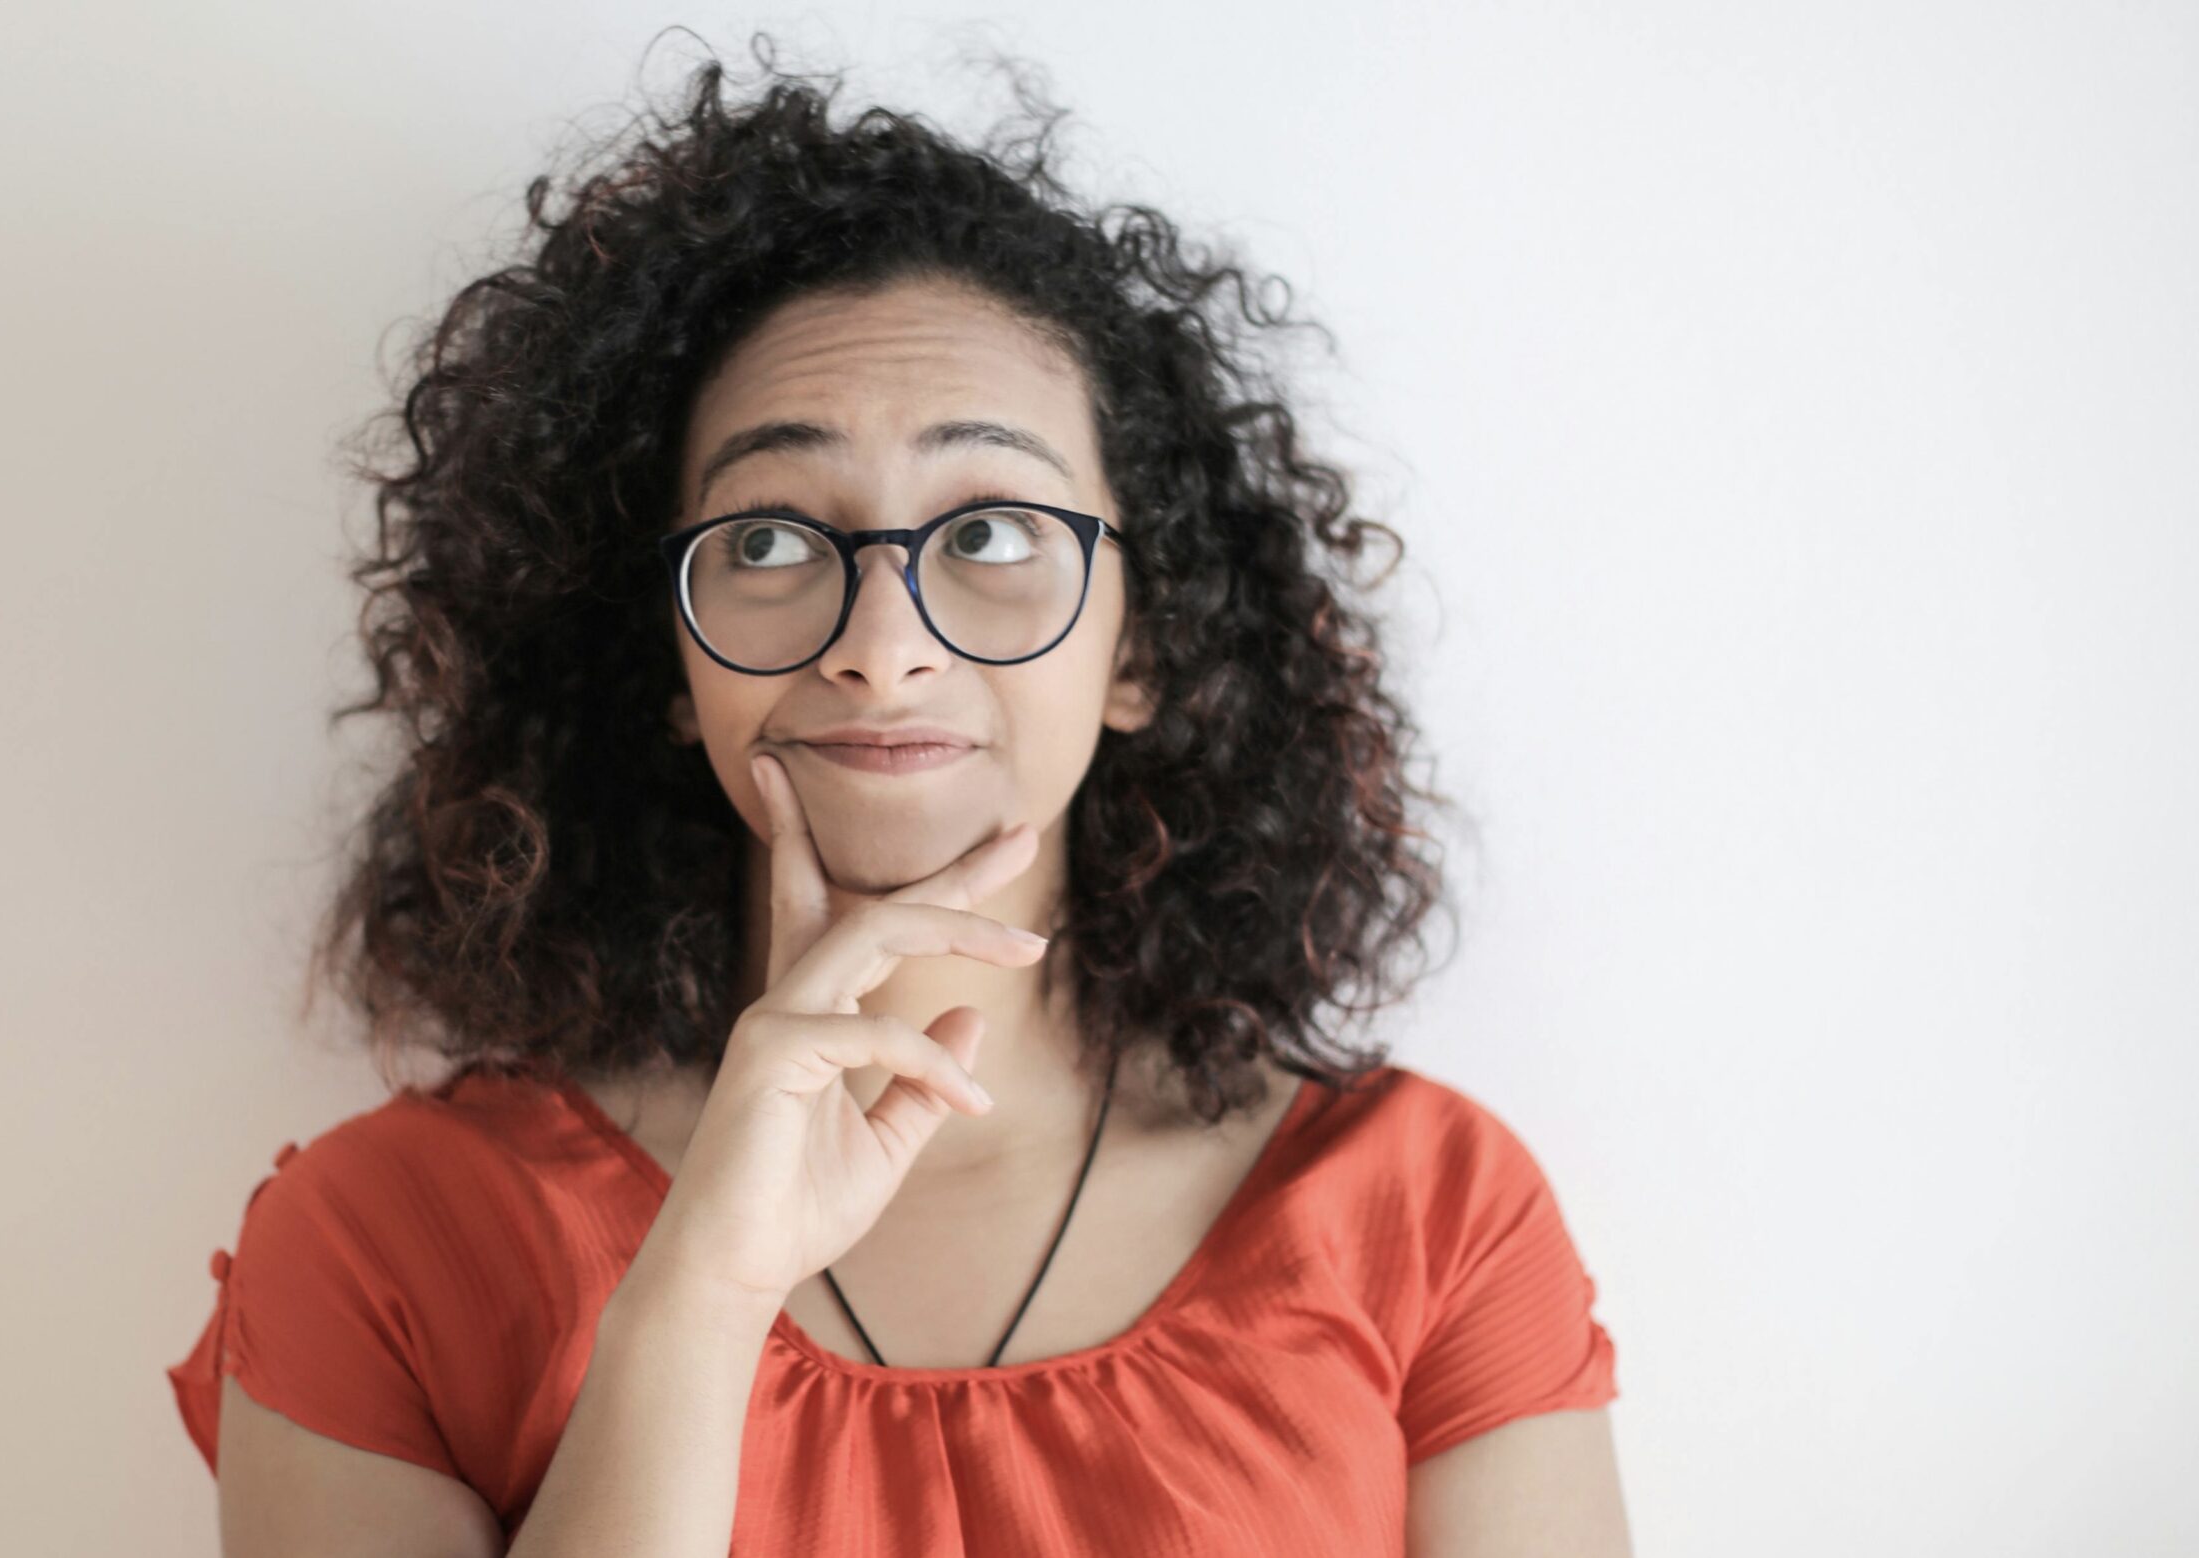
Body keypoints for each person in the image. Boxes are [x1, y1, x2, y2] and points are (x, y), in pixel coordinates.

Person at [167, 35, 1629, 1558]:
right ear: (673, 662)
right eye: (773, 539)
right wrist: (706, 1287)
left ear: (1142, 646)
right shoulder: (385, 1241)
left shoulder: (1430, 1212)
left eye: (992, 532)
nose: (884, 648)